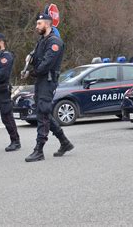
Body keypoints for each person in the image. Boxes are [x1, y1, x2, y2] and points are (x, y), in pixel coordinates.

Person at [25, 13, 74, 162]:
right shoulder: (42, 40)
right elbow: (38, 58)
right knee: (43, 111)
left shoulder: (55, 42)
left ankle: (39, 150)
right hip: (41, 81)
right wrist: (30, 58)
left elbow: (46, 63)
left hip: (48, 81)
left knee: (42, 114)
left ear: (47, 24)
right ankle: (65, 142)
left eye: (39, 24)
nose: (36, 26)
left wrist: (31, 72)